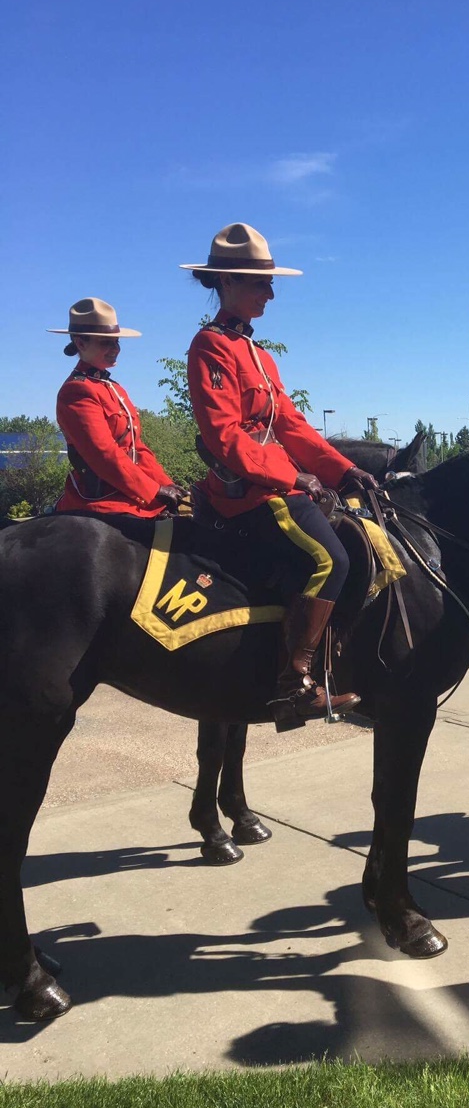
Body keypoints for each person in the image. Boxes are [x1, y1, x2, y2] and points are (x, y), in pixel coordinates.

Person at [182, 223, 377, 731]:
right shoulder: (210, 346)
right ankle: (294, 683)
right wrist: (294, 474)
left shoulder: (258, 353)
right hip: (246, 491)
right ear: (225, 282)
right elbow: (224, 435)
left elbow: (290, 424)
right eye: (258, 283)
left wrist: (344, 469)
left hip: (277, 482)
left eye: (271, 283)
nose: (270, 293)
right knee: (327, 556)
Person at [50, 298, 183, 518]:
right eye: (106, 343)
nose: (115, 349)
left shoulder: (114, 388)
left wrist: (167, 484)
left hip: (131, 492)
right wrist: (154, 490)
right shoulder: (76, 391)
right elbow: (104, 455)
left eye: (117, 342)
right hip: (102, 499)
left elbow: (137, 449)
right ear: (81, 343)